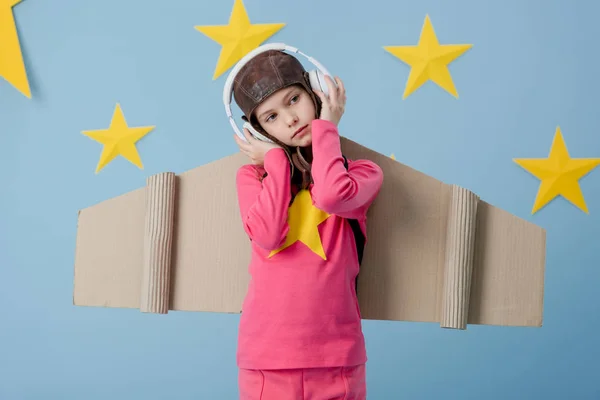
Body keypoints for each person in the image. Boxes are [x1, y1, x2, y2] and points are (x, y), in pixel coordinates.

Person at [231, 49, 383, 400]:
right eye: (271, 116)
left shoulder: (362, 173)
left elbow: (332, 196)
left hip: (336, 360)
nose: (289, 119)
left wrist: (326, 128)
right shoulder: (251, 178)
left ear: (317, 92)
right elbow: (268, 236)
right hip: (266, 362)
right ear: (258, 131)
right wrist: (276, 163)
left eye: (294, 99)